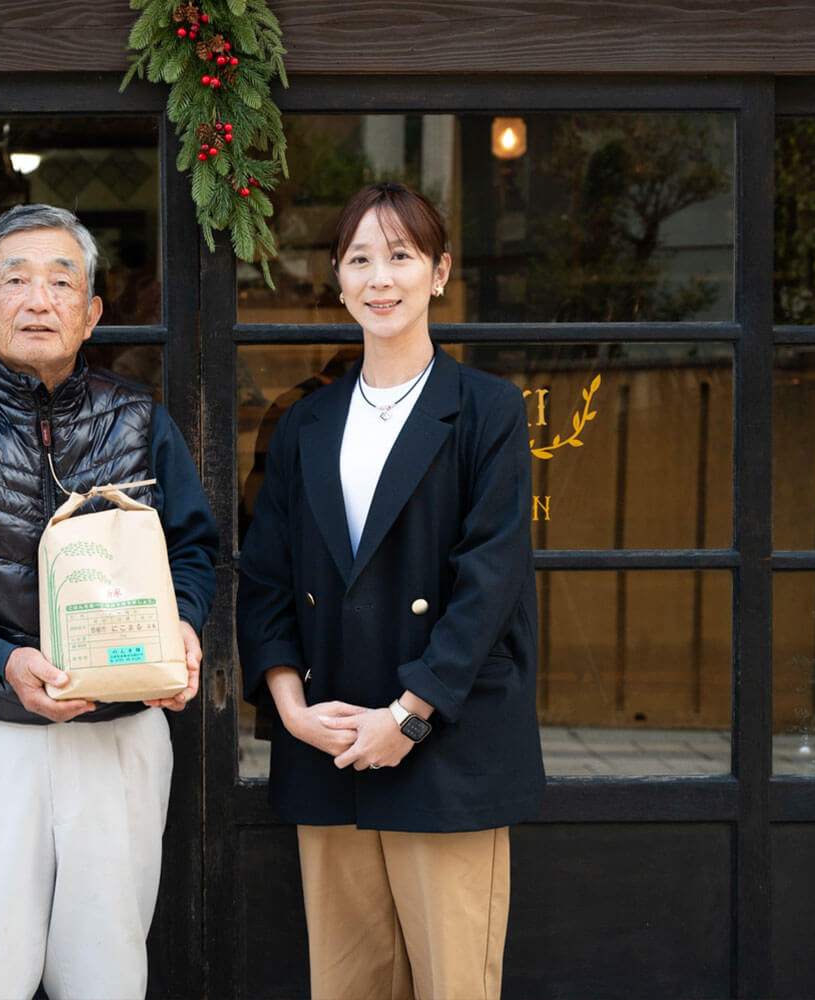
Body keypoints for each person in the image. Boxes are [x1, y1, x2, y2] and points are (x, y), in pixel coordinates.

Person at [0, 203, 218, 1000]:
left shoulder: (139, 421)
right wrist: (4, 658)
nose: (37, 299)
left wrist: (184, 629)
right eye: (14, 280)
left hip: (118, 734)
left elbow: (195, 550)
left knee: (110, 975)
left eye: (62, 281)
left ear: (92, 312)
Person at [236, 182, 544, 1000]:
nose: (381, 277)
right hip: (330, 743)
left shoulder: (486, 411)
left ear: (438, 273)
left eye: (401, 256)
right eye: (360, 259)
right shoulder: (304, 424)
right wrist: (291, 707)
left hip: (445, 746)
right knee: (347, 986)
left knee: (454, 986)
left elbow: (490, 582)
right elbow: (264, 576)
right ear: (336, 280)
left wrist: (410, 717)